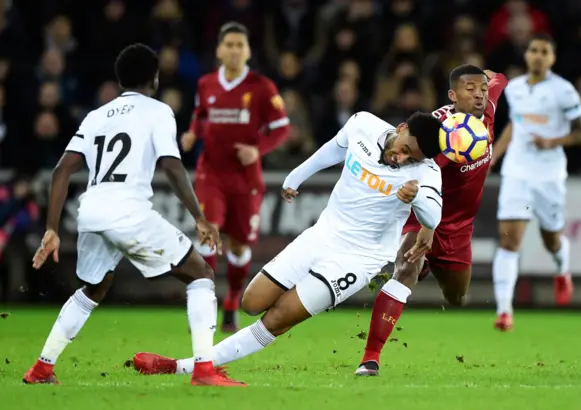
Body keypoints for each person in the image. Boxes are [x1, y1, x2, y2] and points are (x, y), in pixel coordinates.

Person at [131, 111, 444, 378]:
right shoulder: (363, 123)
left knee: (278, 318)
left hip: (358, 259)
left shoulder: (425, 172)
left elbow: (434, 213)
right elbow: (334, 149)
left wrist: (416, 195)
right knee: (251, 302)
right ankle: (209, 360)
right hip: (321, 235)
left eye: (410, 158)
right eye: (404, 149)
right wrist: (297, 175)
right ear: (401, 129)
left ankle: (184, 367)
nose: (401, 159)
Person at [22, 43, 245, 387]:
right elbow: (171, 164)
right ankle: (203, 371)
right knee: (201, 274)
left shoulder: (96, 115)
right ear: (154, 77)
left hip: (92, 212)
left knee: (94, 288)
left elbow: (61, 171)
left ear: (120, 78)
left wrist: (52, 228)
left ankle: (41, 369)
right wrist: (200, 217)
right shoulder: (158, 111)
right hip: (128, 212)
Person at [355, 64, 508, 376]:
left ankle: (429, 265)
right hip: (424, 212)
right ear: (452, 96)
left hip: (461, 226)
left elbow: (499, 80)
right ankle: (370, 358)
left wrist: (490, 77)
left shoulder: (487, 105)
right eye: (470, 89)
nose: (478, 94)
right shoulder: (436, 132)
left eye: (481, 88)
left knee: (457, 297)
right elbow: (426, 177)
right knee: (405, 268)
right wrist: (427, 225)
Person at [182, 22, 290, 333]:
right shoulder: (206, 84)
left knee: (239, 246)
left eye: (239, 45)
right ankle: (206, 302)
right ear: (219, 50)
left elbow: (282, 127)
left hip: (245, 178)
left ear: (248, 51)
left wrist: (258, 150)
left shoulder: (261, 86)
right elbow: (201, 118)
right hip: (211, 173)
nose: (233, 50)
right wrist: (192, 135)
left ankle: (231, 301)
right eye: (228, 44)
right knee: (208, 232)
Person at [490, 34, 581, 331]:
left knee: (551, 240)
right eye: (533, 50)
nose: (537, 55)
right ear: (527, 55)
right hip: (517, 172)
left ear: (552, 58)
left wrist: (554, 141)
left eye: (544, 51)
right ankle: (504, 310)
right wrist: (493, 157)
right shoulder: (516, 88)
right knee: (509, 240)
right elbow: (515, 125)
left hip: (549, 175)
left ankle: (562, 269)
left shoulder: (564, 91)